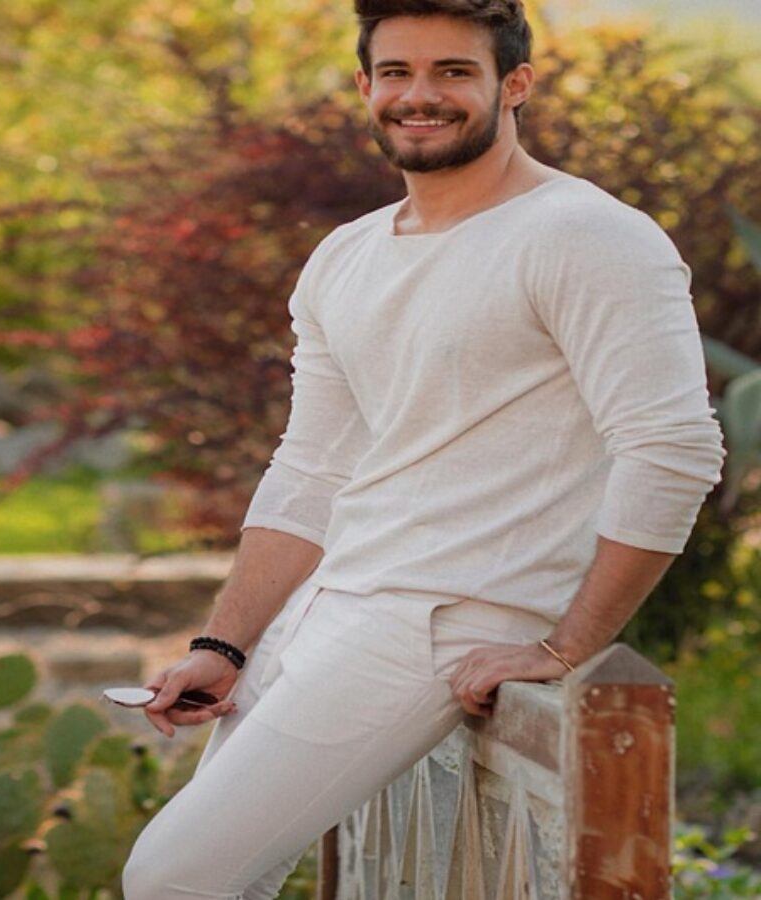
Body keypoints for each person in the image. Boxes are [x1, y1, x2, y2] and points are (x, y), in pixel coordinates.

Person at [121, 0, 725, 897]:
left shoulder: (588, 236)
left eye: (453, 71)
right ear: (365, 85)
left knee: (171, 878)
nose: (420, 95)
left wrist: (567, 647)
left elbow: (673, 448)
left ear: (515, 84)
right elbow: (313, 467)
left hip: (443, 620)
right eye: (397, 72)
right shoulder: (346, 256)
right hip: (331, 606)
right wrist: (227, 642)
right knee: (211, 880)